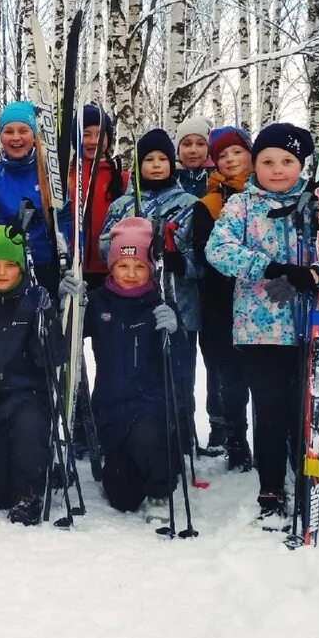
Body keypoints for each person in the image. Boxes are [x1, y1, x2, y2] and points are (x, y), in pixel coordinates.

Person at [205, 123, 319, 519]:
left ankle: (308, 481)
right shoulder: (242, 206)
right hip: (260, 330)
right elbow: (218, 250)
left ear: (301, 165)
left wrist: (313, 274)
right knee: (269, 410)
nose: (276, 169)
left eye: (287, 161)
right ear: (255, 164)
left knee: (305, 411)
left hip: (311, 326)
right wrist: (269, 268)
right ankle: (270, 487)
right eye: (267, 161)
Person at [98, 129, 209, 444]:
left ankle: (181, 432)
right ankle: (134, 431)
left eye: (163, 159)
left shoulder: (190, 203)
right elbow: (104, 247)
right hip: (130, 303)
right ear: (138, 165)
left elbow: (201, 259)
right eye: (149, 159)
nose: (157, 165)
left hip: (178, 302)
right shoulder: (123, 205)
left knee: (178, 370)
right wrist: (130, 251)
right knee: (136, 370)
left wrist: (179, 262)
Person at [78, 217, 190, 521]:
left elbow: (180, 362)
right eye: (123, 265)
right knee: (123, 499)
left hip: (150, 403)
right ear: (111, 266)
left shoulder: (159, 302)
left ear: (150, 270)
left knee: (148, 438)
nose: (130, 274)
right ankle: (128, 475)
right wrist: (69, 305)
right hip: (111, 406)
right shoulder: (99, 302)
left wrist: (175, 330)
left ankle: (160, 489)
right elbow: (67, 339)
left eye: (139, 267)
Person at [0, 225, 61, 525]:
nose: (3, 272)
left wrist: (47, 321)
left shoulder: (31, 301)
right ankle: (16, 479)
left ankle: (29, 492)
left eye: (10, 265)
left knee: (29, 429)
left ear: (21, 268)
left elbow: (53, 356)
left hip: (25, 396)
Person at [191, 125, 255, 469]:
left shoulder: (272, 193)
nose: (231, 160)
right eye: (223, 155)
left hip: (265, 300)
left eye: (237, 152)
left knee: (263, 376)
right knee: (229, 375)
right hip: (220, 299)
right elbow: (204, 254)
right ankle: (236, 440)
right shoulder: (209, 203)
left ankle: (275, 441)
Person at [0, 101, 59, 293]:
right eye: (9, 131)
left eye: (23, 130)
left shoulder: (50, 177)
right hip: (5, 272)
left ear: (34, 136)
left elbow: (66, 228)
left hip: (45, 270)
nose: (16, 138)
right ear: (1, 136)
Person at [62, 105, 128, 290]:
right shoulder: (66, 176)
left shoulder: (120, 178)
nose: (93, 141)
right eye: (86, 134)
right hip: (72, 267)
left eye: (100, 134)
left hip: (110, 269)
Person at [175, 117, 213, 198]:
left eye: (200, 144)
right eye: (187, 144)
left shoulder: (218, 179)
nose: (193, 150)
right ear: (178, 149)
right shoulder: (169, 178)